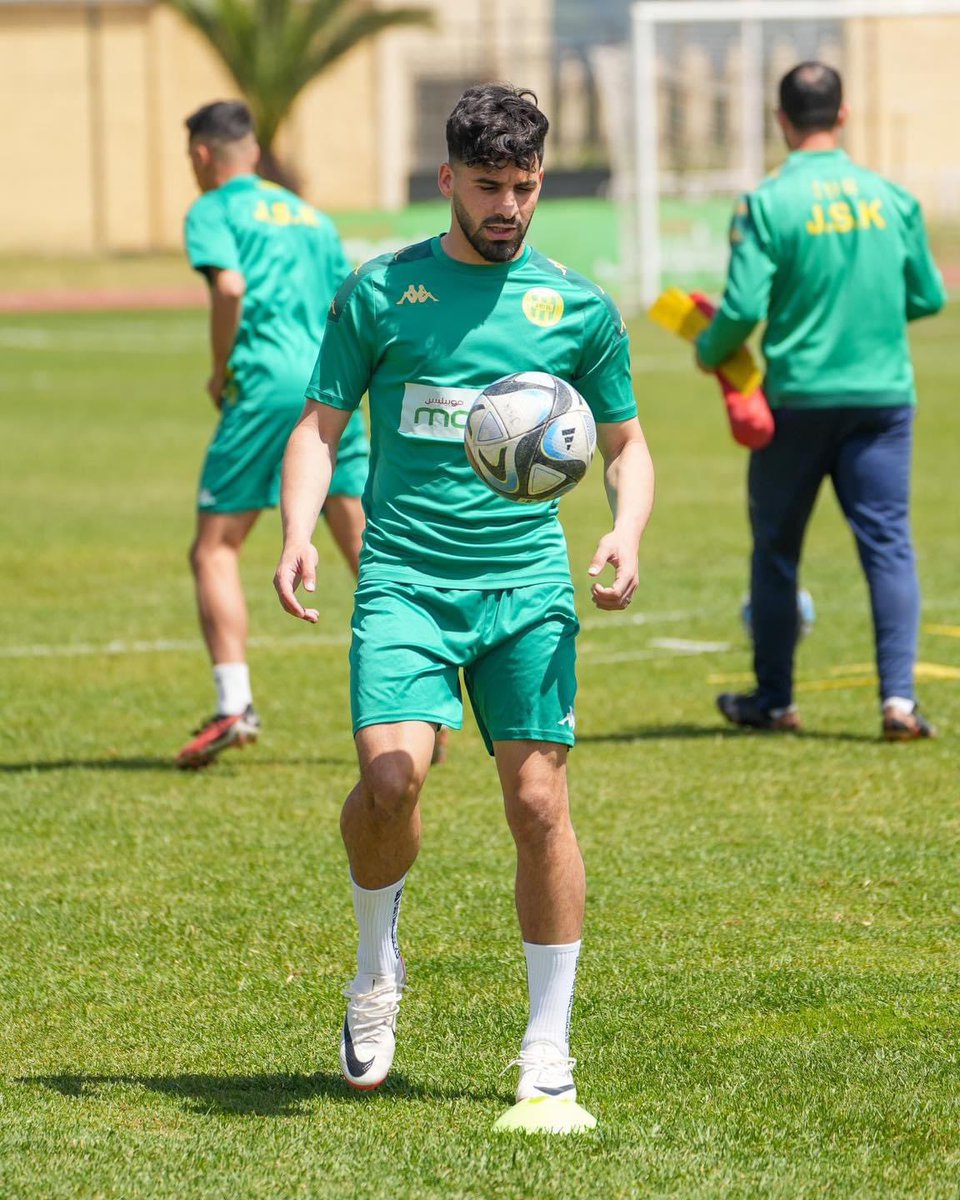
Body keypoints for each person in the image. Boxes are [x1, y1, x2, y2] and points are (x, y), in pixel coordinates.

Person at [273, 84, 655, 1115]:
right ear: (447, 180)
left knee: (539, 803)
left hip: (526, 586)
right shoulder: (383, 293)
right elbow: (318, 427)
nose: (509, 207)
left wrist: (623, 528)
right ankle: (374, 967)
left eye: (525, 187)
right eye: (489, 186)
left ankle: (547, 1051)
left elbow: (627, 446)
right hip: (403, 578)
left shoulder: (577, 307)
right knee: (392, 782)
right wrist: (300, 530)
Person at [696, 63, 946, 741]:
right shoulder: (891, 197)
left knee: (777, 549)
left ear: (781, 120)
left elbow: (742, 307)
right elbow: (927, 295)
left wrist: (709, 346)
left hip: (797, 400)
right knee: (889, 546)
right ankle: (898, 703)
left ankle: (775, 701)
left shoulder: (767, 202)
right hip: (883, 398)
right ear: (843, 116)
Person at [176, 100, 369, 769]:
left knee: (216, 548)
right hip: (331, 387)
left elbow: (228, 287)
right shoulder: (310, 216)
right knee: (365, 545)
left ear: (203, 156)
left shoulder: (211, 210)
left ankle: (235, 704)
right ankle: (424, 699)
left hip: (263, 386)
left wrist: (220, 369)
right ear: (253, 151)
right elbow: (352, 301)